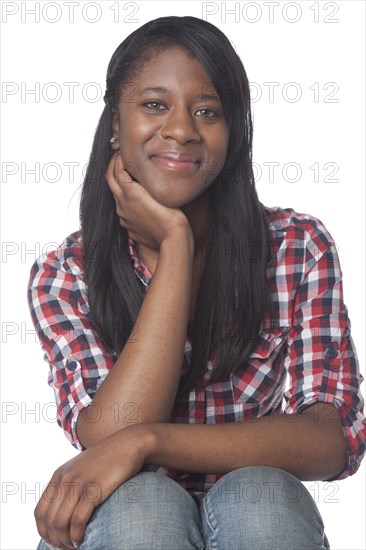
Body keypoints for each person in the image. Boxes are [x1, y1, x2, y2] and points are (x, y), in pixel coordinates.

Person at [27, 15, 365, 550]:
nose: (182, 129)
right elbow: (108, 436)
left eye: (207, 111)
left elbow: (331, 440)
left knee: (262, 498)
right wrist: (176, 246)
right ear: (115, 123)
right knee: (145, 505)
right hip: (121, 528)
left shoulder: (299, 247)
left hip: (259, 524)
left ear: (233, 134)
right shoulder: (66, 273)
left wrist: (149, 440)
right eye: (155, 105)